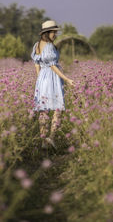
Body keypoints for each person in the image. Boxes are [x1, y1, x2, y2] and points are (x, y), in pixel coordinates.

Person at [31, 20, 75, 149]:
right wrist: (67, 79)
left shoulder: (37, 45)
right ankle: (51, 137)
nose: (55, 34)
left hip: (42, 79)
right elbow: (52, 66)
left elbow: (36, 64)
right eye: (54, 32)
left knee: (43, 111)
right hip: (52, 78)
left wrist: (39, 79)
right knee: (58, 109)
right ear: (47, 33)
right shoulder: (49, 46)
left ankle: (44, 141)